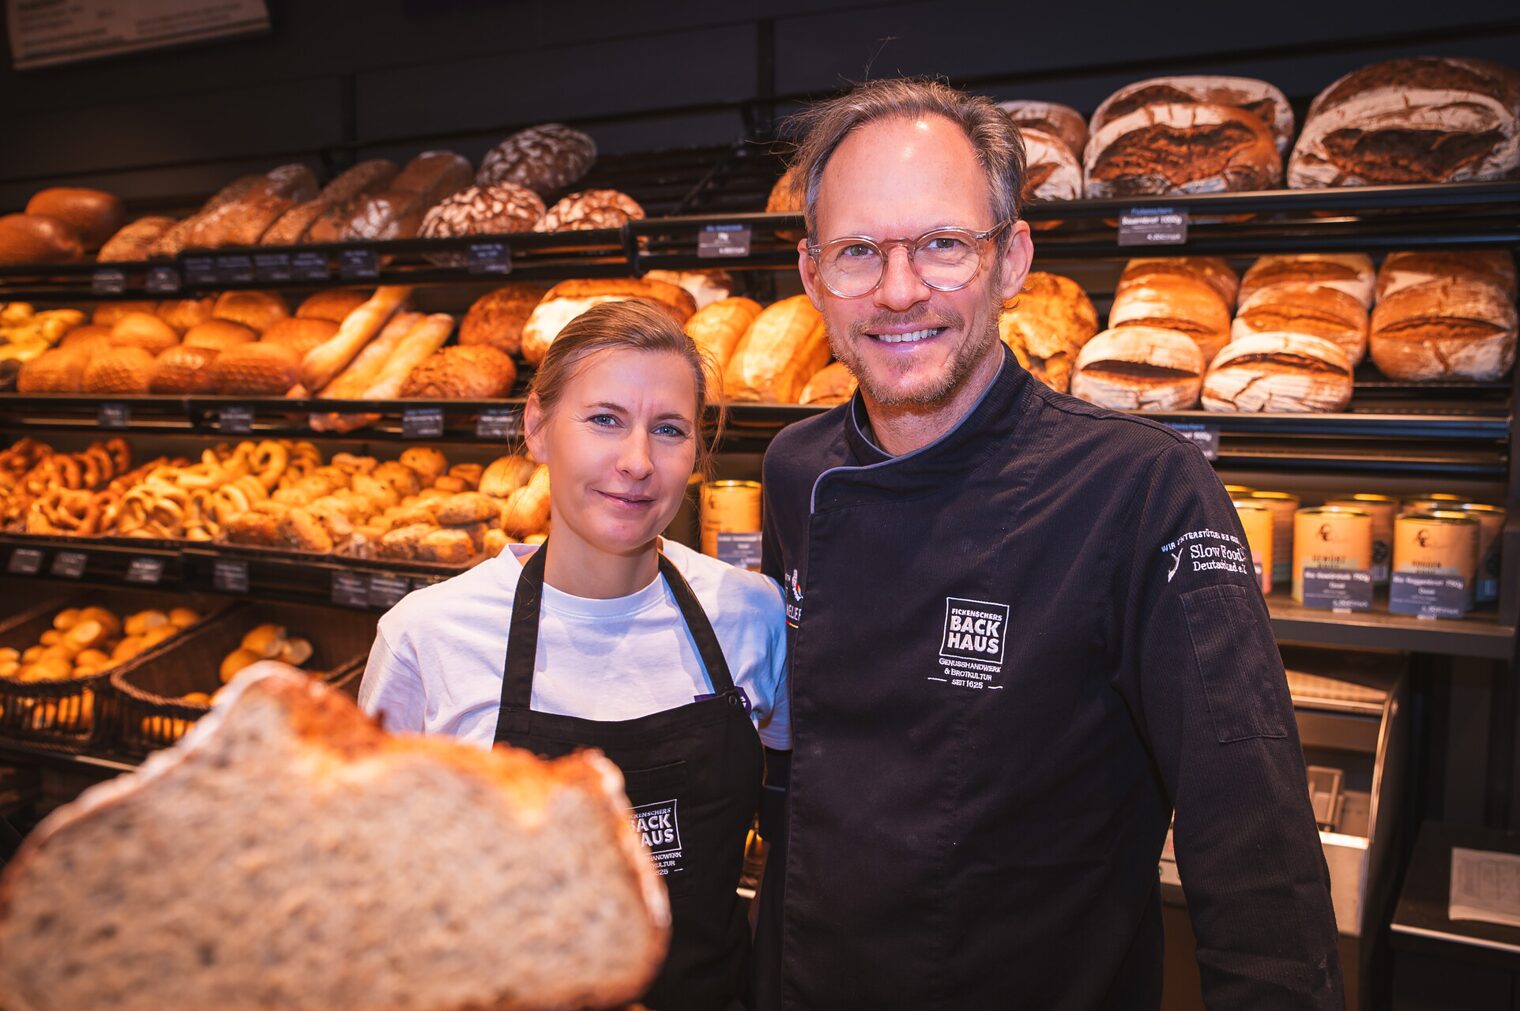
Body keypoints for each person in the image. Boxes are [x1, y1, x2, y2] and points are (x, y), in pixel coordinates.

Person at [751, 79, 1343, 1009]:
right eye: (858, 251)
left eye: (944, 244)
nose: (900, 290)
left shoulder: (1144, 491)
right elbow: (790, 778)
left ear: (1012, 257)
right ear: (811, 273)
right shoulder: (796, 469)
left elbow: (1252, 845)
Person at [360, 299, 789, 1011]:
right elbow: (375, 886)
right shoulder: (428, 636)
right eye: (605, 419)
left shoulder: (748, 613)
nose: (636, 462)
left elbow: (792, 822)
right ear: (536, 426)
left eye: (670, 430)